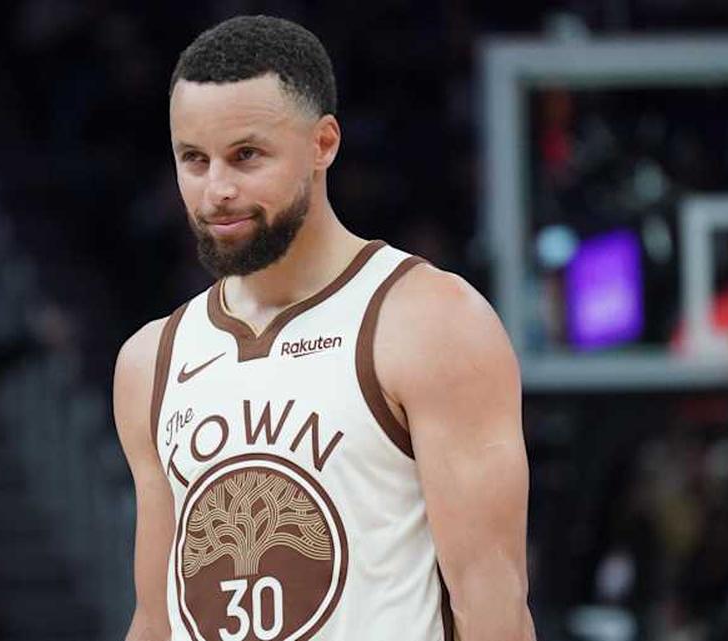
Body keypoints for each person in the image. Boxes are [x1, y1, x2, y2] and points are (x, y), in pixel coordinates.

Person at [113, 15, 534, 641]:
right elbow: (156, 619)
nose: (217, 190)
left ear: (323, 144)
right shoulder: (151, 359)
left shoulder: (428, 321)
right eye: (194, 160)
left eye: (246, 155)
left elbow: (491, 601)